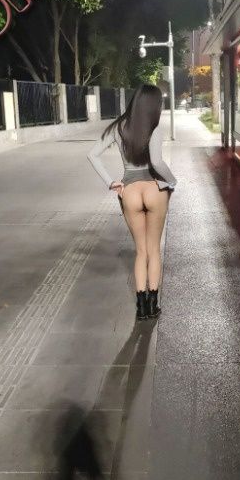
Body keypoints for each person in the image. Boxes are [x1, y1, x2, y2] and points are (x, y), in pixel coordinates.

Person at [88, 84, 176, 321]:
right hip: (153, 188)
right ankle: (153, 305)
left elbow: (92, 154)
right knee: (154, 250)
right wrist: (172, 182)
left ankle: (141, 308)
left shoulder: (118, 127)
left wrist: (111, 183)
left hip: (130, 191)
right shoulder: (154, 127)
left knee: (141, 252)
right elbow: (157, 163)